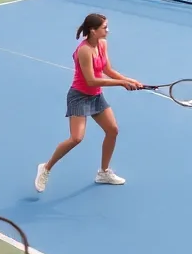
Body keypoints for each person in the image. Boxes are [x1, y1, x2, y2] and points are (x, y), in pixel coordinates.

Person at [35, 13, 142, 192]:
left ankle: (104, 172)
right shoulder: (83, 50)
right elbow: (91, 80)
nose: (108, 30)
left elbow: (107, 69)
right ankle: (45, 168)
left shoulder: (102, 44)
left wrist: (128, 79)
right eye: (104, 27)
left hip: (95, 96)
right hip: (79, 96)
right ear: (93, 31)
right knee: (76, 138)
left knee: (112, 130)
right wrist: (122, 83)